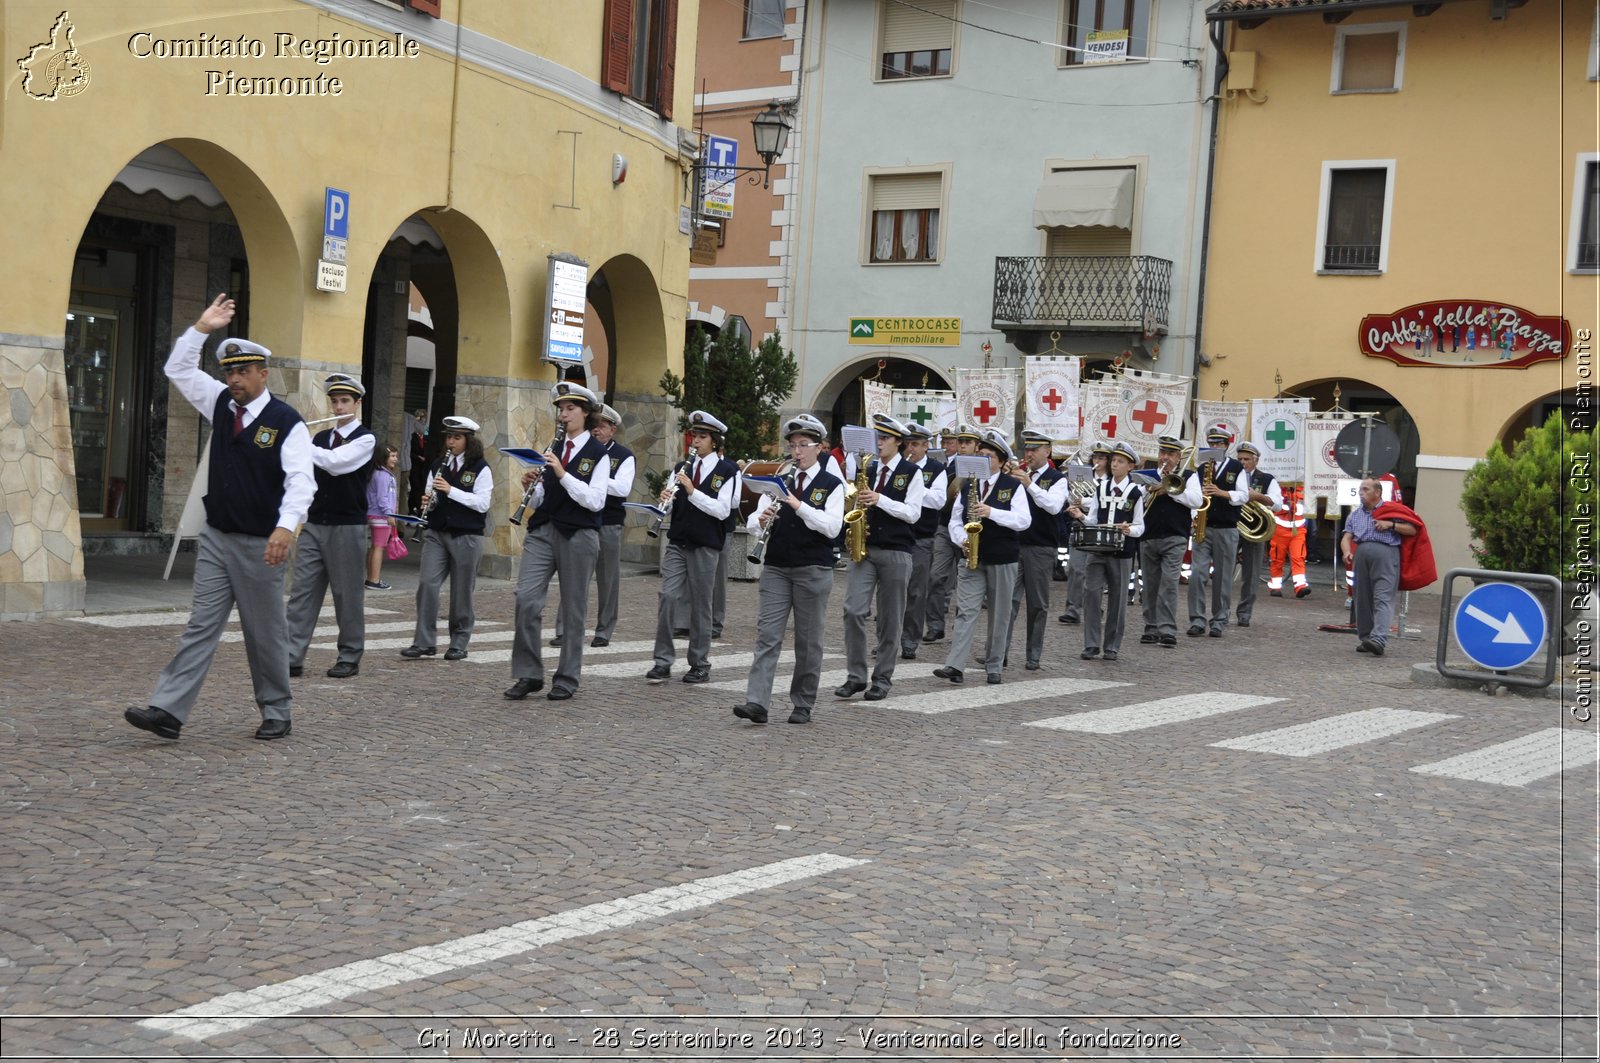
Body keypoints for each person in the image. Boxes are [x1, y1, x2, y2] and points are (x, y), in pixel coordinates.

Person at [124, 293, 314, 742]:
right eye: (229, 371)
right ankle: (168, 710)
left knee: (264, 633)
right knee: (200, 626)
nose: (234, 379)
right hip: (216, 536)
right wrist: (202, 329)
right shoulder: (220, 403)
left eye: (243, 372)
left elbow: (301, 481)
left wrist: (286, 527)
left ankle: (276, 709)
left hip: (260, 542)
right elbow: (178, 370)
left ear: (262, 374)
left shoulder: (287, 422)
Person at [732, 415, 844, 726]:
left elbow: (832, 527)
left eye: (803, 446)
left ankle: (803, 702)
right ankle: (757, 702)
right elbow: (753, 522)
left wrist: (797, 505)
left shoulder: (831, 484)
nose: (796, 452)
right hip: (777, 567)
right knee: (767, 636)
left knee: (808, 641)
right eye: (793, 446)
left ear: (819, 448)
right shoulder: (778, 481)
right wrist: (763, 519)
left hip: (814, 568)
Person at [504, 382, 612, 701]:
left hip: (579, 534)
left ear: (585, 413)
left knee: (574, 608)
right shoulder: (554, 448)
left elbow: (594, 501)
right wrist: (532, 488)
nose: (563, 415)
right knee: (525, 599)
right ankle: (529, 673)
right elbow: (544, 497)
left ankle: (567, 677)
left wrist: (563, 474)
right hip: (543, 531)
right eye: (561, 410)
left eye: (570, 409)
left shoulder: (598, 454)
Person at [286, 373, 375, 680]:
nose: (338, 408)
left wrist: (297, 440)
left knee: (347, 595)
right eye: (334, 402)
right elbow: (306, 475)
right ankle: (291, 656)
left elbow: (336, 463)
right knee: (302, 593)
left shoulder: (365, 438)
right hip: (314, 523)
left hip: (347, 526)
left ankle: (349, 655)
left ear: (357, 403)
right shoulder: (320, 438)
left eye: (344, 401)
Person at [837, 413, 926, 702]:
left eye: (885, 438)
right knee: (852, 610)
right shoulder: (869, 468)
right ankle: (855, 676)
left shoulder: (911, 473)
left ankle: (883, 678)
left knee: (889, 620)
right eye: (877, 438)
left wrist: (880, 499)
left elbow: (913, 513)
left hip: (897, 551)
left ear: (898, 443)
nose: (880, 443)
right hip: (865, 549)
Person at [648, 410, 739, 684]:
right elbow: (672, 500)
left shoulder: (728, 471)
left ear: (714, 441)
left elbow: (723, 510)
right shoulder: (681, 468)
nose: (694, 442)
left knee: (702, 604)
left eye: (701, 437)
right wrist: (666, 499)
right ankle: (662, 660)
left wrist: (692, 491)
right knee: (668, 596)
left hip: (706, 544)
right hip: (678, 542)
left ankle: (699, 662)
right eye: (694, 436)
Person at [934, 428, 1030, 684]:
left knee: (999, 613)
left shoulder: (1012, 486)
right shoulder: (968, 485)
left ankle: (994, 664)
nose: (983, 460)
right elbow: (954, 520)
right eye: (980, 455)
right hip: (971, 556)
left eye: (988, 456)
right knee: (965, 611)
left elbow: (1023, 521)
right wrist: (961, 539)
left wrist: (992, 512)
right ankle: (955, 665)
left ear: (1000, 461)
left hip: (1003, 557)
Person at [401, 415, 492, 660]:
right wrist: (428, 502)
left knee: (462, 591)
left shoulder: (481, 468)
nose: (451, 442)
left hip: (467, 535)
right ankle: (424, 641)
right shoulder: (438, 465)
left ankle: (459, 642)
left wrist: (452, 491)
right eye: (449, 437)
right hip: (437, 533)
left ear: (468, 440)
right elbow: (434, 496)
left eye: (457, 437)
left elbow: (482, 504)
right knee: (427, 585)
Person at [551, 403, 633, 649]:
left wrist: (594, 478)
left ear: (613, 429)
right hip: (580, 519)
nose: (596, 431)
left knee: (607, 579)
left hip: (608, 522)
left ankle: (604, 630)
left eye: (602, 427)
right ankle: (564, 628)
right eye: (594, 426)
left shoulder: (624, 455)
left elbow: (622, 488)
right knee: (573, 576)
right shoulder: (578, 448)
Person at [1068, 441, 1146, 662]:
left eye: (1120, 462)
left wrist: (1128, 529)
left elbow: (1140, 526)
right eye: (1114, 461)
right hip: (1097, 549)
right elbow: (1093, 518)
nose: (1115, 465)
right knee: (1091, 594)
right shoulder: (1101, 488)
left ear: (1131, 466)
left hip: (1122, 552)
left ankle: (1111, 646)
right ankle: (1091, 644)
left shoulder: (1136, 492)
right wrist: (1080, 517)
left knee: (1118, 600)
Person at [1005, 428, 1069, 670]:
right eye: (1027, 449)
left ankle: (1033, 655)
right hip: (1014, 543)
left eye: (1034, 449)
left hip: (1041, 547)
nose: (1029, 454)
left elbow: (1053, 507)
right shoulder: (1018, 474)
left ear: (1047, 450)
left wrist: (1029, 484)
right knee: (1007, 601)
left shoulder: (1057, 479)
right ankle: (999, 652)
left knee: (1037, 604)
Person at [1137, 436, 1203, 649]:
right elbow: (1135, 502)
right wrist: (1148, 490)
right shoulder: (1146, 476)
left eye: (1171, 454)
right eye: (1162, 453)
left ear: (1178, 457)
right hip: (1149, 535)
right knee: (1149, 584)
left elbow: (1197, 500)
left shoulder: (1189, 476)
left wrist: (1172, 490)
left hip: (1175, 536)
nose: (1165, 458)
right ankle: (1151, 627)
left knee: (1169, 583)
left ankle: (1167, 629)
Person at [1340, 477, 1418, 657]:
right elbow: (1346, 537)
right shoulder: (1355, 514)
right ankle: (1366, 638)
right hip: (1361, 555)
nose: (1361, 492)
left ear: (1378, 492)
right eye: (1360, 489)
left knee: (1383, 596)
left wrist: (1391, 525)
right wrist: (1346, 553)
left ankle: (1379, 639)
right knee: (1362, 598)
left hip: (1386, 554)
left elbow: (1413, 529)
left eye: (1366, 489)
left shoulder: (1392, 510)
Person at [924, 423, 980, 643]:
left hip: (972, 531)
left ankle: (961, 627)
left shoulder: (985, 467)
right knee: (936, 576)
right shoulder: (948, 467)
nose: (963, 446)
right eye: (962, 442)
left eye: (967, 442)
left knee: (966, 582)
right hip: (946, 527)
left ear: (977, 446)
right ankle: (935, 625)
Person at [1188, 426, 1245, 639]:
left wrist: (1222, 493)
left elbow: (1244, 496)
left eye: (1219, 444)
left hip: (1227, 528)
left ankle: (1219, 621)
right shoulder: (1201, 468)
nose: (1214, 447)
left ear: (1226, 446)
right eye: (1211, 443)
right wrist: (1194, 515)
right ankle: (1197, 620)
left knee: (1222, 578)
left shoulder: (1236, 467)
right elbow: (1195, 496)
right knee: (1197, 575)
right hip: (1205, 526)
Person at [898, 421, 947, 661]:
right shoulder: (897, 466)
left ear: (927, 446)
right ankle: (888, 639)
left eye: (916, 444)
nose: (911, 449)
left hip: (921, 538)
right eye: (908, 444)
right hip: (896, 537)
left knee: (916, 592)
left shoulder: (937, 470)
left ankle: (909, 640)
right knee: (891, 592)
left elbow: (938, 500)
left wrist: (914, 487)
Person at [1233, 441, 1283, 629]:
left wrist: (1258, 496)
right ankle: (1222, 611)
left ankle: (1244, 613)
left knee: (1251, 574)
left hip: (1255, 530)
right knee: (1223, 572)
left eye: (1247, 459)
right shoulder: (1231, 475)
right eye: (1240, 459)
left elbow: (1278, 504)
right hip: (1232, 526)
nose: (1243, 463)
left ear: (1256, 460)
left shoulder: (1267, 479)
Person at [1060, 443, 1111, 624]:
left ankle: (1095, 608)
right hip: (1080, 524)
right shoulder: (1083, 477)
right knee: (1075, 569)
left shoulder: (1112, 481)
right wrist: (1076, 498)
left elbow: (1106, 501)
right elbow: (1072, 498)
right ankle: (1073, 609)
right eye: (1096, 457)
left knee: (1095, 572)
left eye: (1102, 458)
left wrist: (1085, 501)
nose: (1098, 461)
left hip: (1100, 528)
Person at [1269, 482, 1312, 599]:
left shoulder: (1304, 488)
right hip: (1279, 529)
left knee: (1298, 557)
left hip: (1298, 530)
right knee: (1277, 558)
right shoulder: (1277, 488)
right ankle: (1275, 586)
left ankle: (1300, 586)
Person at [365, 443, 400, 590]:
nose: (395, 459)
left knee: (374, 547)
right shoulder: (383, 475)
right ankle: (374, 580)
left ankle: (371, 578)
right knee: (379, 547)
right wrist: (389, 514)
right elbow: (382, 498)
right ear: (383, 457)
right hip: (381, 516)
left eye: (396, 456)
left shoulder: (378, 473)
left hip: (375, 515)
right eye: (392, 456)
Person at [406, 408, 429, 516]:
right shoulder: (412, 436)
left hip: (423, 468)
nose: (422, 421)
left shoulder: (426, 436)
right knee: (416, 488)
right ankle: (417, 511)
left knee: (421, 488)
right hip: (414, 466)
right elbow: (409, 451)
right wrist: (418, 457)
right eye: (420, 418)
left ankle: (412, 509)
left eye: (424, 418)